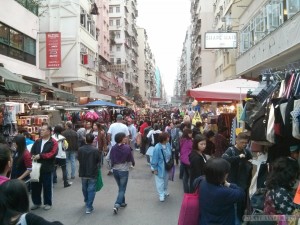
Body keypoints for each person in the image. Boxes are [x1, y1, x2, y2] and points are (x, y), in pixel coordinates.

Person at [195, 158, 245, 225]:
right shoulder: (223, 192)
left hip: (204, 220)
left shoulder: (201, 181)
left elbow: (196, 181)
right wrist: (228, 184)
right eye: (226, 173)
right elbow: (241, 193)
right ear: (222, 175)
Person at [222, 132, 253, 224]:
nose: (244, 144)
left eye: (245, 143)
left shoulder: (246, 151)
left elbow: (250, 160)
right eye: (242, 142)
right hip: (232, 180)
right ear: (237, 140)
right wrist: (238, 157)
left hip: (244, 181)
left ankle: (240, 219)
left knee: (241, 203)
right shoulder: (230, 150)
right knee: (233, 204)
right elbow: (224, 159)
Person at [30, 124, 58, 211]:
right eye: (41, 130)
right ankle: (37, 202)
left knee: (47, 187)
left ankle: (47, 203)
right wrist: (33, 156)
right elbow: (32, 151)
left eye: (43, 130)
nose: (41, 131)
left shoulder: (53, 142)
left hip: (47, 167)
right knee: (35, 186)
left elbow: (52, 153)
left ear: (49, 132)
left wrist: (41, 156)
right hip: (36, 167)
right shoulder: (37, 141)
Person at [110, 132, 135, 214]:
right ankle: (117, 204)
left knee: (120, 187)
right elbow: (131, 158)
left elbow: (108, 158)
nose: (126, 138)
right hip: (123, 170)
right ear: (121, 138)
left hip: (115, 170)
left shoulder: (113, 148)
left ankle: (122, 202)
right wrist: (132, 163)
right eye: (124, 137)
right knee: (122, 188)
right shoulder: (127, 148)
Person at [78, 133, 101, 214]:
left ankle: (87, 201)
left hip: (83, 171)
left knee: (84, 188)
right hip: (92, 172)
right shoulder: (95, 150)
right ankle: (89, 206)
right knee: (91, 189)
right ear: (92, 140)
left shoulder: (80, 149)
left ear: (85, 140)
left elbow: (79, 159)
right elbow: (98, 161)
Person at [151, 132, 172, 202]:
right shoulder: (157, 147)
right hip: (160, 167)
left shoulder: (168, 144)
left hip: (167, 166)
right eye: (167, 137)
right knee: (160, 181)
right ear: (164, 139)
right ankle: (161, 194)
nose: (169, 138)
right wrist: (155, 168)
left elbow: (170, 153)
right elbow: (154, 159)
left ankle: (165, 190)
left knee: (166, 180)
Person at [180, 128, 193, 193]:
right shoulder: (189, 141)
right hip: (188, 160)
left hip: (183, 159)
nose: (191, 134)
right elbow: (192, 149)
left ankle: (186, 191)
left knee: (185, 177)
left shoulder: (182, 140)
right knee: (191, 177)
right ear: (187, 134)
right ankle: (190, 191)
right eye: (190, 133)